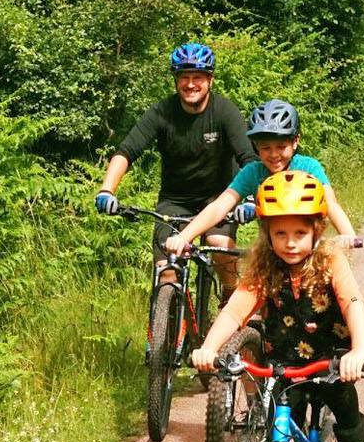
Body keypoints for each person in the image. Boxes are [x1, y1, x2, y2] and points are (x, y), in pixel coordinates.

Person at [192, 170, 364, 442]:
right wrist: (210, 347)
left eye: (300, 233)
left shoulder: (331, 260)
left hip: (332, 355)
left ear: (317, 229)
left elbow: (352, 302)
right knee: (279, 422)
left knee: (340, 395)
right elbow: (235, 311)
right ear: (267, 233)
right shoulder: (264, 266)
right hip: (285, 359)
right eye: (280, 234)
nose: (290, 243)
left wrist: (358, 350)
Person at [95, 42, 254, 287]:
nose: (190, 84)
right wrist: (107, 190)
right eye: (184, 77)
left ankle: (231, 305)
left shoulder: (224, 111)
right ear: (176, 80)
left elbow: (249, 159)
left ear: (209, 79)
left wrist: (252, 199)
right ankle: (169, 322)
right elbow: (126, 152)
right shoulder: (162, 112)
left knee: (222, 248)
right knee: (166, 270)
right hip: (174, 203)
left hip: (219, 199)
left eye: (197, 77)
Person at [163, 99, 357, 256]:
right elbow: (219, 207)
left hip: (308, 246)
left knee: (338, 290)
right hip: (273, 249)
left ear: (295, 141)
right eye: (265, 148)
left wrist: (348, 235)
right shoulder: (253, 172)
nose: (273, 154)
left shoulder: (309, 167)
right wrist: (184, 237)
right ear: (255, 146)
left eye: (281, 147)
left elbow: (331, 204)